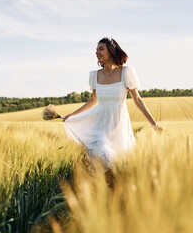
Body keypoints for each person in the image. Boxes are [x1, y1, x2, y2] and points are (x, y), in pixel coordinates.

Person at [63, 37, 163, 188]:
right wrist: (73, 115)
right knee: (102, 152)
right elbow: (93, 101)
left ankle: (111, 190)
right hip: (99, 124)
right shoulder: (95, 75)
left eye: (100, 48)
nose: (97, 52)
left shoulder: (126, 72)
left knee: (117, 163)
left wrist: (154, 124)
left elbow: (137, 100)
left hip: (118, 125)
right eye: (96, 49)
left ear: (111, 50)